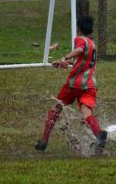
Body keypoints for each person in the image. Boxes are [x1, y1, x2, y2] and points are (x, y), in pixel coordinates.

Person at [35, 16, 107, 151]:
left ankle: (44, 141)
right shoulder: (93, 44)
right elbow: (82, 60)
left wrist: (65, 57)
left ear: (78, 29)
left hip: (74, 85)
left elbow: (79, 50)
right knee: (86, 114)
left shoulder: (80, 39)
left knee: (56, 108)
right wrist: (65, 62)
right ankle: (99, 134)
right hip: (90, 85)